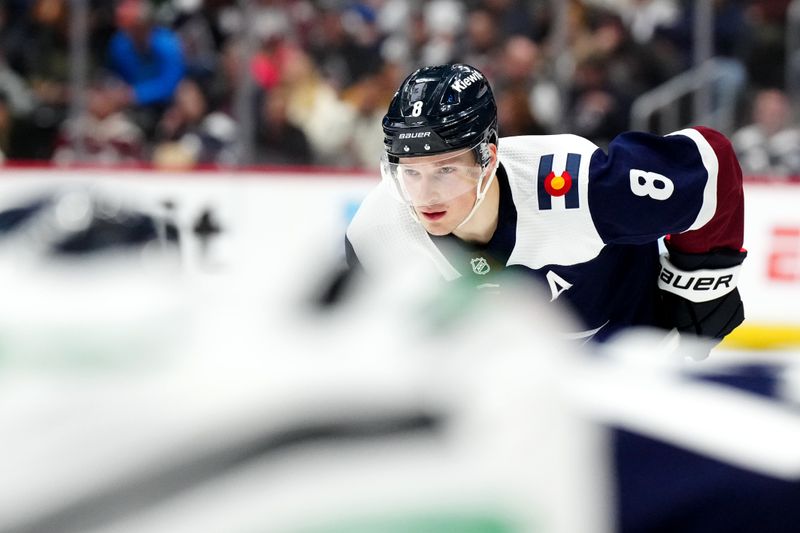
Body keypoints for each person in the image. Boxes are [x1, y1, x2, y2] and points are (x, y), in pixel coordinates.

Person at [345, 63, 746, 343]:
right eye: (410, 172)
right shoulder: (377, 234)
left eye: (446, 170)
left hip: (632, 371)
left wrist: (701, 285)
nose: (425, 195)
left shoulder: (579, 187)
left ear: (489, 159)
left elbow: (711, 164)